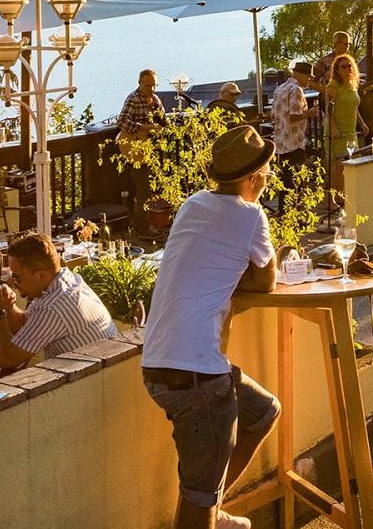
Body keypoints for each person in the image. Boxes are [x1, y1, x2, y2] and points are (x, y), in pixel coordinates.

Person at [142, 124, 280, 529]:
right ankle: (206, 513)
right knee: (195, 500)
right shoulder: (251, 215)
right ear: (254, 178)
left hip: (161, 364)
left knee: (263, 412)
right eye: (266, 175)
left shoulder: (192, 203)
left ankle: (212, 510)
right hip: (198, 376)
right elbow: (267, 280)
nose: (267, 180)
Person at [0, 231, 117, 370]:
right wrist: (8, 306)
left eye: (17, 276)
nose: (12, 281)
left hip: (89, 385)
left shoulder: (52, 307)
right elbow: (27, 325)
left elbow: (7, 360)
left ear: (41, 275)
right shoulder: (65, 280)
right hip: (102, 375)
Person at [117, 69, 166, 233]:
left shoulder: (155, 99)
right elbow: (122, 121)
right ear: (139, 83)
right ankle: (143, 227)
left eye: (154, 85)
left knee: (144, 187)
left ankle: (137, 224)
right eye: (147, 85)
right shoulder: (133, 98)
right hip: (133, 147)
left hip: (147, 148)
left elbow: (162, 121)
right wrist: (144, 127)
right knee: (143, 187)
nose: (151, 89)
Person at [324, 53, 369, 197]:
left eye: (349, 66)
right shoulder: (333, 85)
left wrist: (362, 124)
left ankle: (341, 195)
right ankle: (331, 198)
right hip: (337, 130)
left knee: (349, 164)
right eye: (343, 66)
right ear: (337, 70)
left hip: (350, 130)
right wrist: (333, 128)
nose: (347, 69)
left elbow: (354, 107)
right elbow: (328, 109)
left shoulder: (352, 86)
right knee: (337, 166)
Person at [270, 61, 319, 170]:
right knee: (296, 181)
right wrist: (309, 113)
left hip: (279, 144)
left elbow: (273, 115)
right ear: (301, 75)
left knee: (285, 181)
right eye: (309, 77)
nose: (310, 80)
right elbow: (294, 116)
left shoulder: (279, 89)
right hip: (294, 143)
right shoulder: (296, 89)